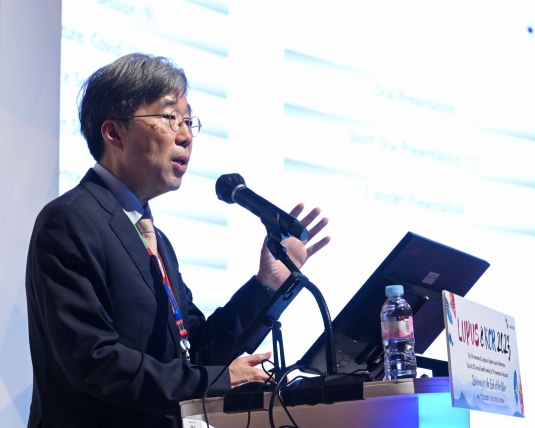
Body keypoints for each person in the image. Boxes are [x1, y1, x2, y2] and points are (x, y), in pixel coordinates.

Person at [25, 53, 330, 428]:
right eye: (170, 118)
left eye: (188, 121)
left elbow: (196, 351)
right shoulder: (70, 220)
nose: (185, 135)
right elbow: (93, 361)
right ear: (114, 132)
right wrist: (218, 380)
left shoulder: (156, 241)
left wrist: (267, 285)